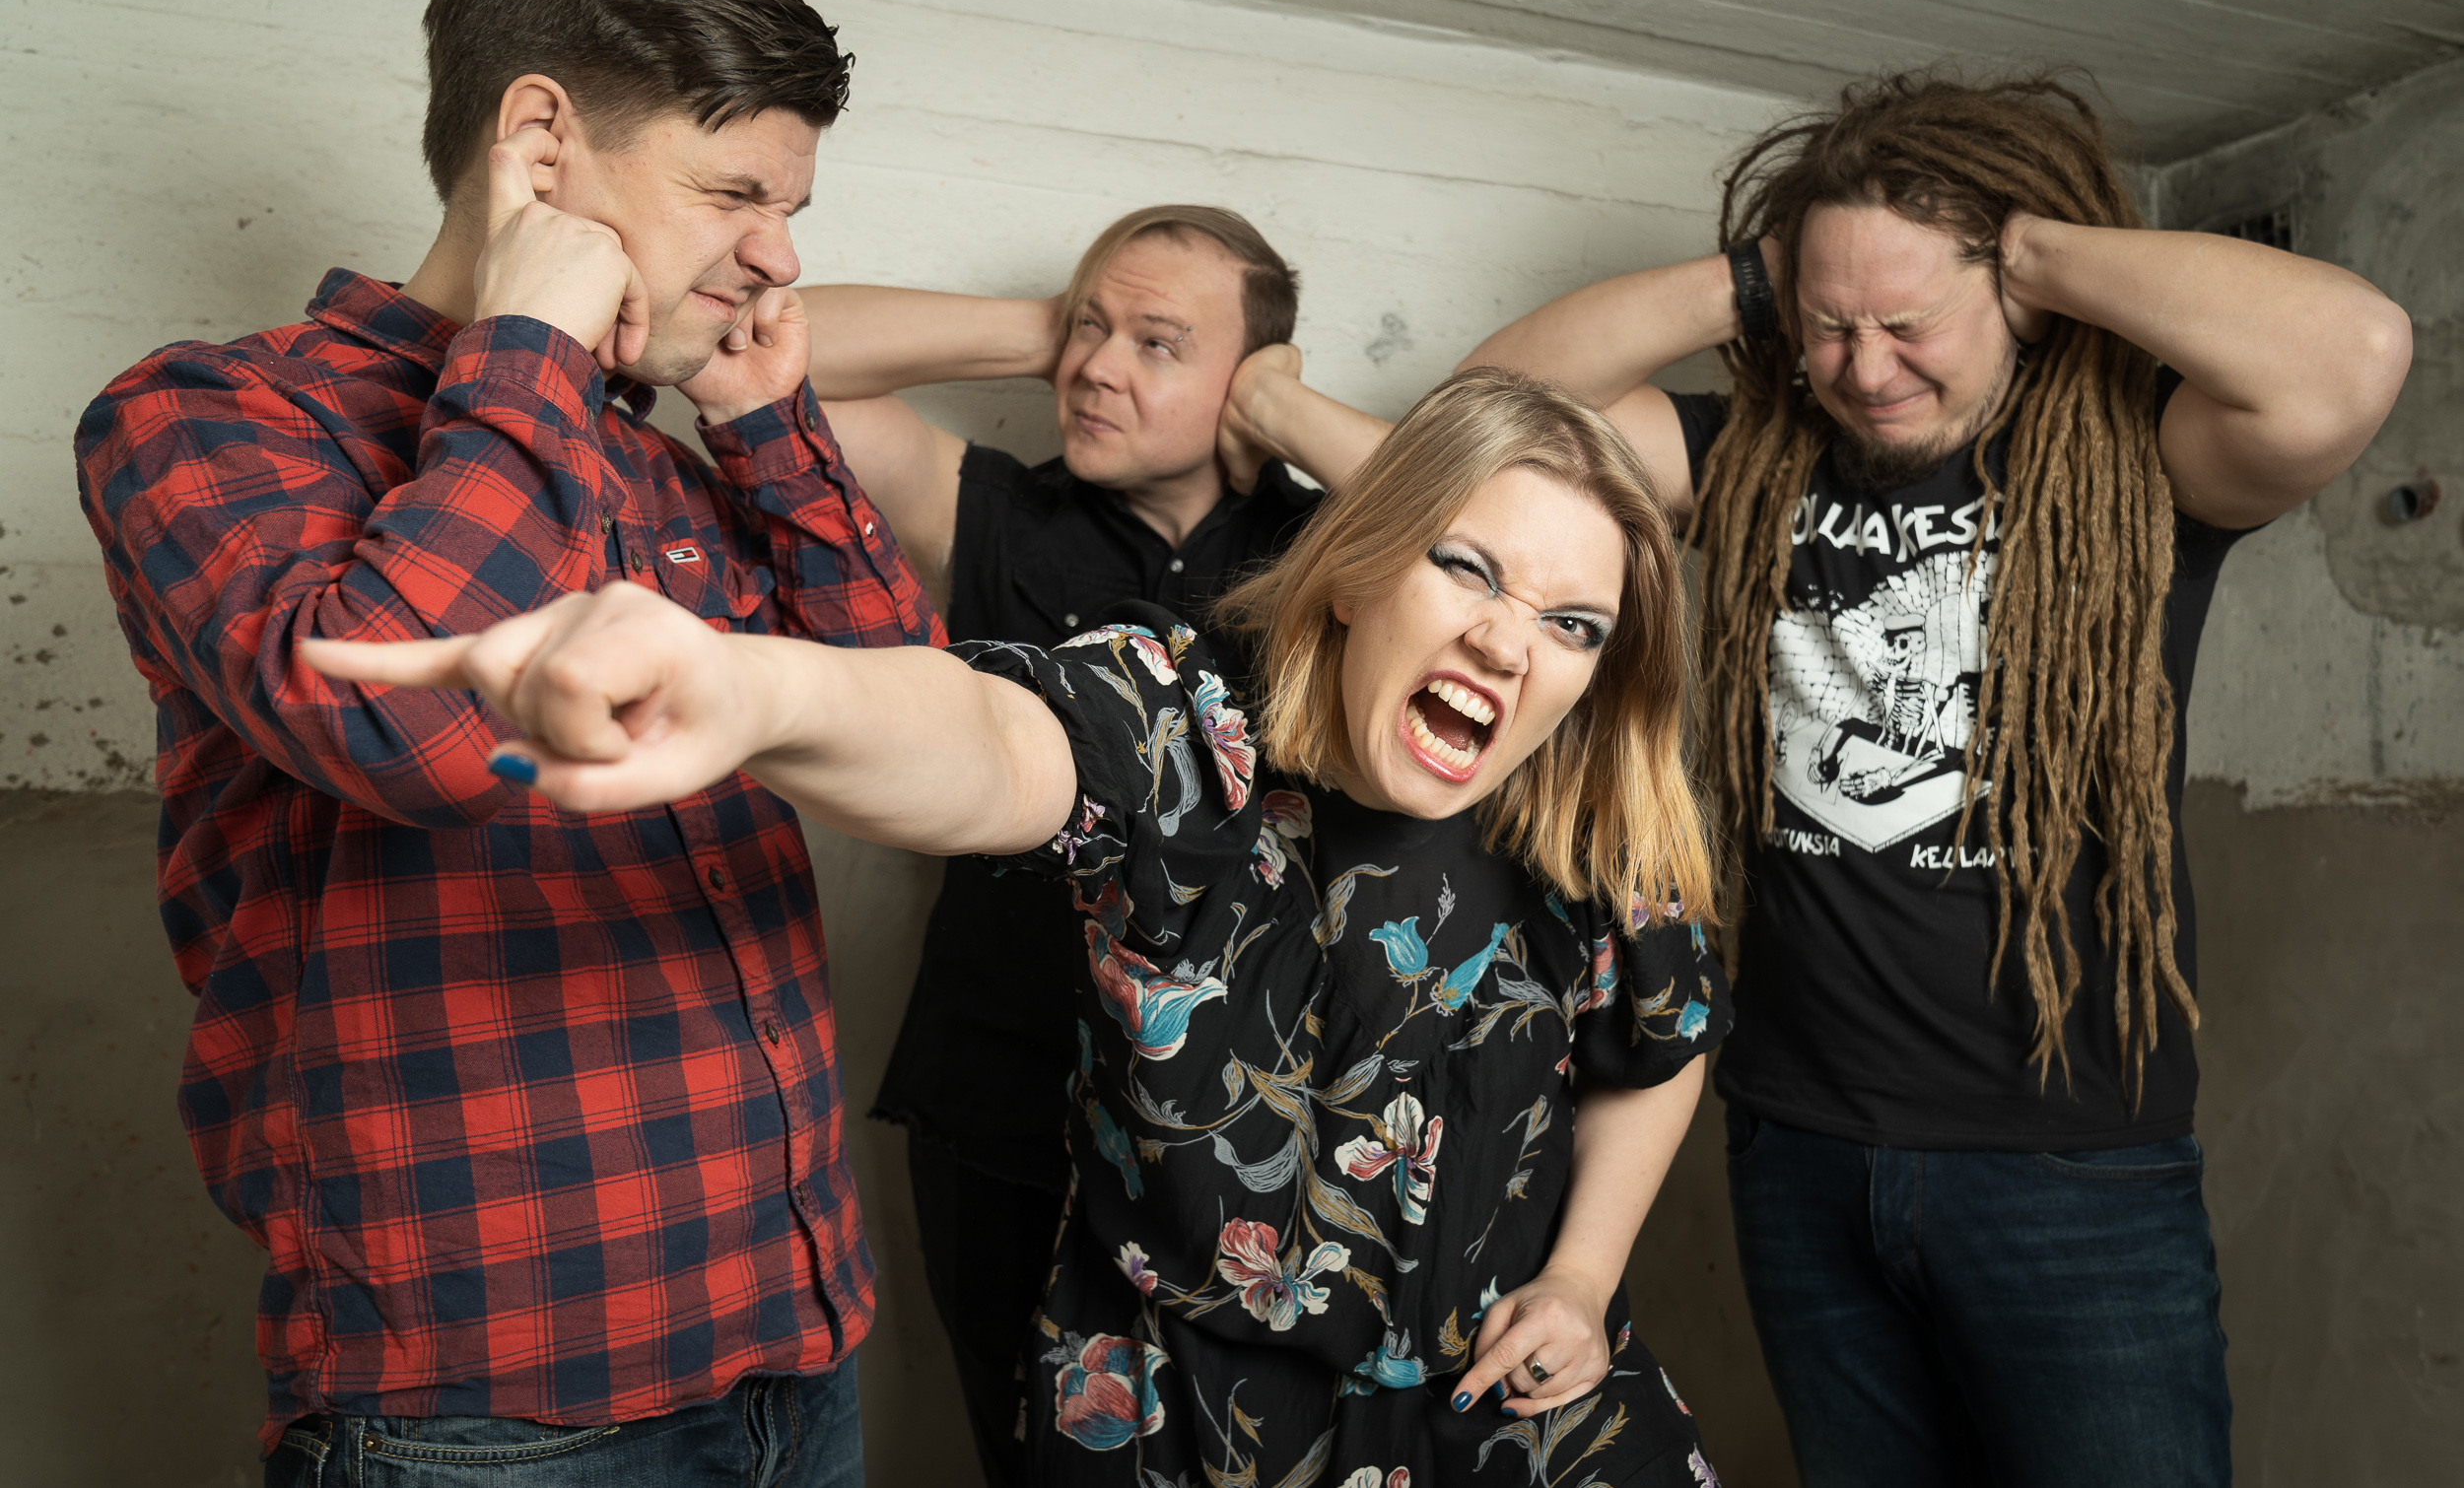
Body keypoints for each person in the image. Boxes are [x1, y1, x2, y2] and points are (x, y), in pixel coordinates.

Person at [305, 371, 1738, 1486]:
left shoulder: (1599, 819)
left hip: (1499, 1414)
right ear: (1359, 565)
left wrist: (1583, 1275)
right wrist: (758, 693)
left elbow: (1664, 1046)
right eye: (1469, 569)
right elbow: (994, 741)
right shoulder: (1190, 723)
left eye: (1574, 622)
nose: (1508, 641)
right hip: (1184, 1430)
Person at [1421, 73, 2407, 1485]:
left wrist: (2034, 247)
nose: (1867, 367)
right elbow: (1482, 415)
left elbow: (2356, 350)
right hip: (1799, 1145)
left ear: (2018, 298)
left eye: (1910, 322)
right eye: (1830, 325)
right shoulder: (1748, 457)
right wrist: (1760, 278)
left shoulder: (2139, 460)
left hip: (2069, 1167)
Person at [73, 0, 937, 1484]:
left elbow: (913, 736)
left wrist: (769, 430)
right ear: (538, 145)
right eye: (735, 193)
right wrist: (531, 334)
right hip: (487, 1416)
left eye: (790, 206)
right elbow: (413, 731)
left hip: (797, 1352)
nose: (780, 254)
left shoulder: (668, 472)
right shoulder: (206, 416)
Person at [765, 205, 1378, 1484]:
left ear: (1251, 376)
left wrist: (1277, 410)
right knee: (1033, 1459)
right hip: (1005, 1099)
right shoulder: (996, 510)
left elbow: (1495, 524)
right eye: (1091, 330)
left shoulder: (1328, 546)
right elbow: (772, 345)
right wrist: (1059, 327)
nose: (1100, 368)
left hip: (1254, 1125)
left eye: (1159, 343)